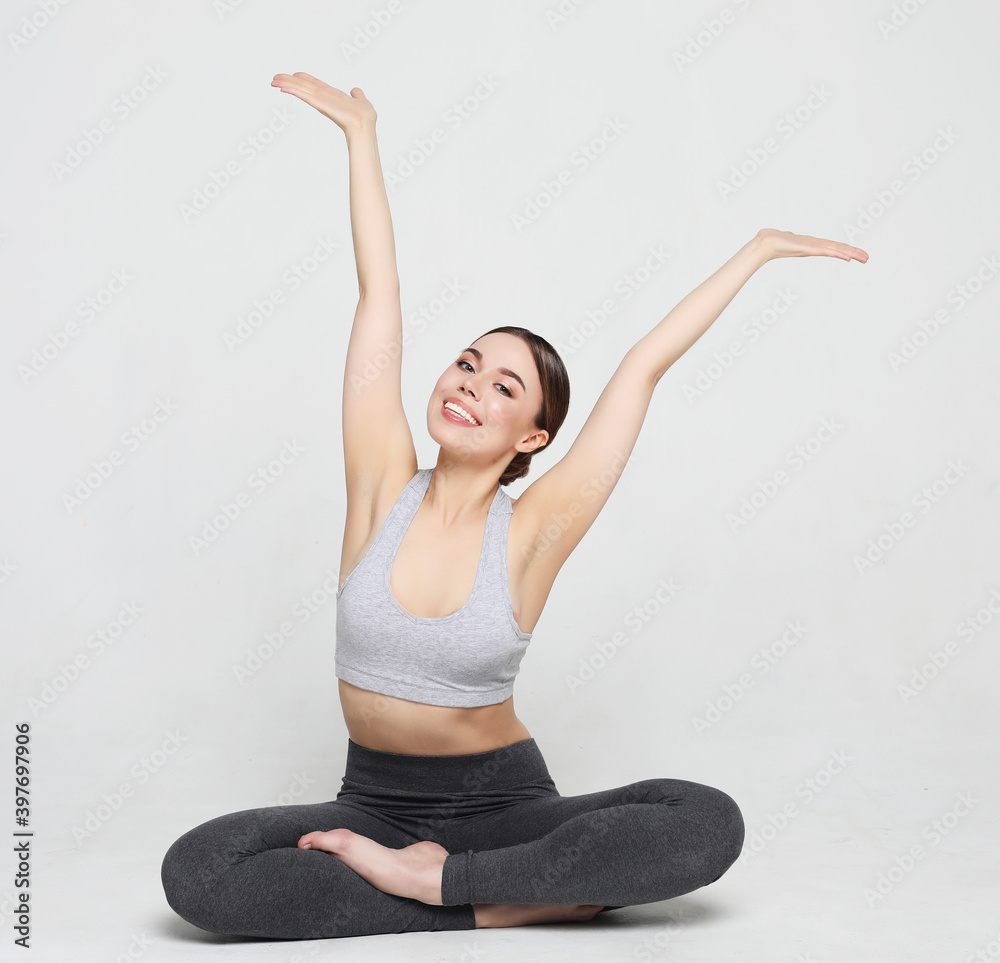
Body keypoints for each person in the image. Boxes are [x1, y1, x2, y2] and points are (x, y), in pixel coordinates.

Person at [160, 72, 868, 941]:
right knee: (199, 870)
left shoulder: (533, 531)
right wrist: (361, 136)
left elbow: (641, 368)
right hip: (374, 805)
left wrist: (756, 251)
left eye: (504, 386)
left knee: (704, 817)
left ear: (533, 436)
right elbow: (380, 295)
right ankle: (513, 899)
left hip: (508, 807)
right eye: (467, 363)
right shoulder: (381, 485)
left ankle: (448, 883)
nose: (470, 385)